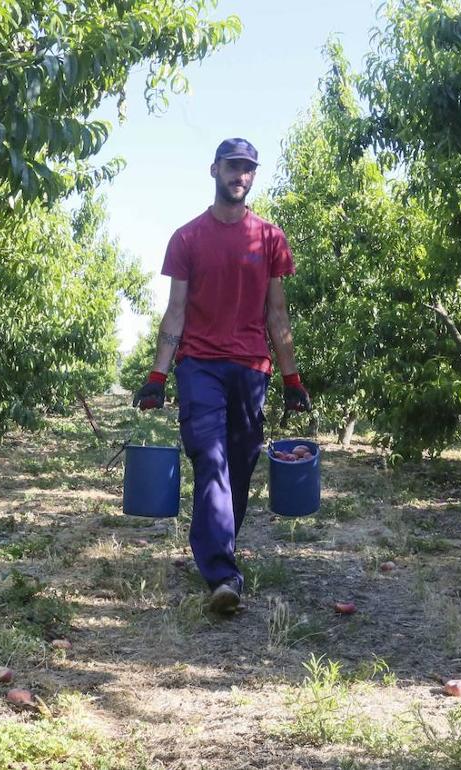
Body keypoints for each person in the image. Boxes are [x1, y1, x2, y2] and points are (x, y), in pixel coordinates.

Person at [133, 137, 311, 614]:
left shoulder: (269, 238)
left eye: (249, 169)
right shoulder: (187, 238)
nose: (241, 176)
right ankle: (221, 574)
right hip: (200, 366)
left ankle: (220, 550)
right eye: (233, 167)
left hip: (252, 368)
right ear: (214, 170)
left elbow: (278, 314)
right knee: (210, 460)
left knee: (239, 464)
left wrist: (292, 380)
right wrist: (157, 374)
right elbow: (175, 311)